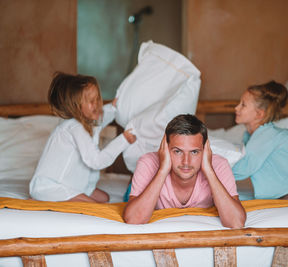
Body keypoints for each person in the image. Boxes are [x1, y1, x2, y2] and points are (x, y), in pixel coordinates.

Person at [123, 114, 246, 228]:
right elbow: (134, 219)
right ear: (165, 148)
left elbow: (236, 222)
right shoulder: (148, 162)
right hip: (142, 193)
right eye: (177, 151)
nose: (186, 162)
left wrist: (209, 170)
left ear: (205, 150)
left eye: (194, 152)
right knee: (129, 198)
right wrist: (162, 170)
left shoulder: (219, 165)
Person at [29, 72, 136, 203]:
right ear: (76, 107)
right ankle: (40, 199)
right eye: (91, 101)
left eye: (98, 98)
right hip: (51, 187)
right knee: (94, 206)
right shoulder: (74, 128)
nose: (97, 104)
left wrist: (113, 108)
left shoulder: (87, 122)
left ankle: (72, 194)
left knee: (105, 198)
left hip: (74, 184)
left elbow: (101, 118)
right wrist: (123, 140)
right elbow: (97, 161)